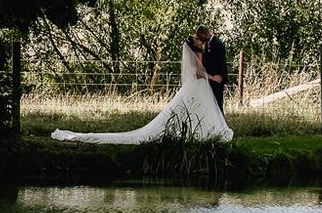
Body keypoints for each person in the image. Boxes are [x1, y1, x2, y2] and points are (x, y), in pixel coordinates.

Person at [51, 25, 234, 145]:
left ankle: (205, 131)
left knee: (195, 108)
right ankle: (207, 132)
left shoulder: (202, 48)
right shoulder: (199, 52)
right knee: (198, 108)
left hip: (199, 85)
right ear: (197, 42)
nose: (200, 41)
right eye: (199, 39)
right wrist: (212, 77)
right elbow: (199, 72)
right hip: (202, 83)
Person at [200, 24, 228, 112]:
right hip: (210, 77)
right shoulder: (208, 43)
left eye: (201, 36)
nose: (201, 39)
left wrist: (218, 76)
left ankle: (220, 123)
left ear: (206, 34)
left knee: (217, 103)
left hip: (217, 78)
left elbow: (220, 62)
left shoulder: (217, 44)